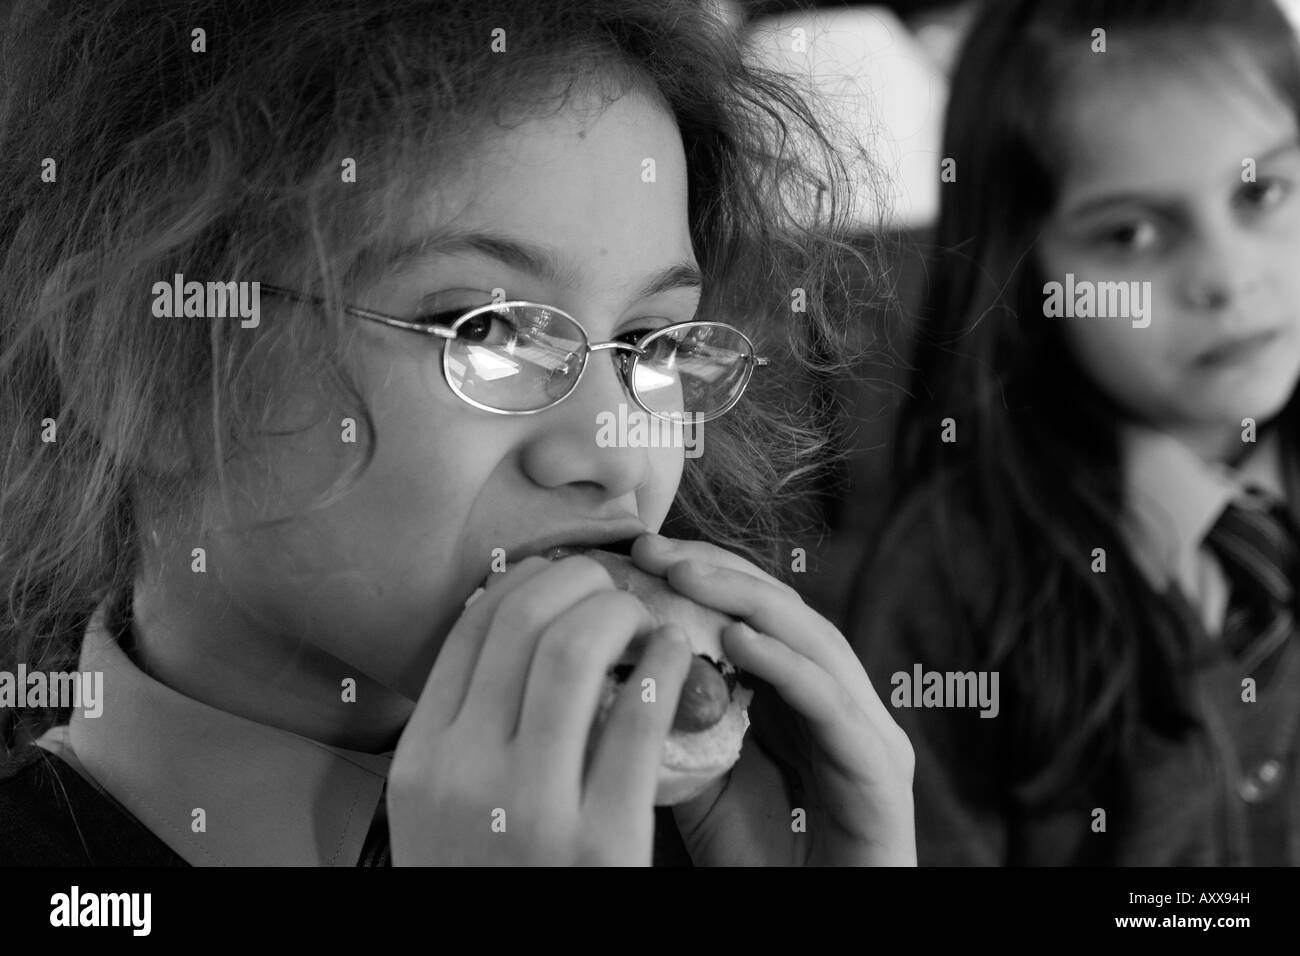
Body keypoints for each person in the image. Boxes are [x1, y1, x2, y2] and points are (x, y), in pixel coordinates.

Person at [0, 0, 915, 866]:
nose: (611, 451)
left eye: (645, 342)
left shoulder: (718, 824)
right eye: (488, 329)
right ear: (149, 374)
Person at [850, 0, 1300, 865]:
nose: (1227, 277)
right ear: (1027, 275)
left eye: (1260, 192)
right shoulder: (947, 584)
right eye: (1130, 233)